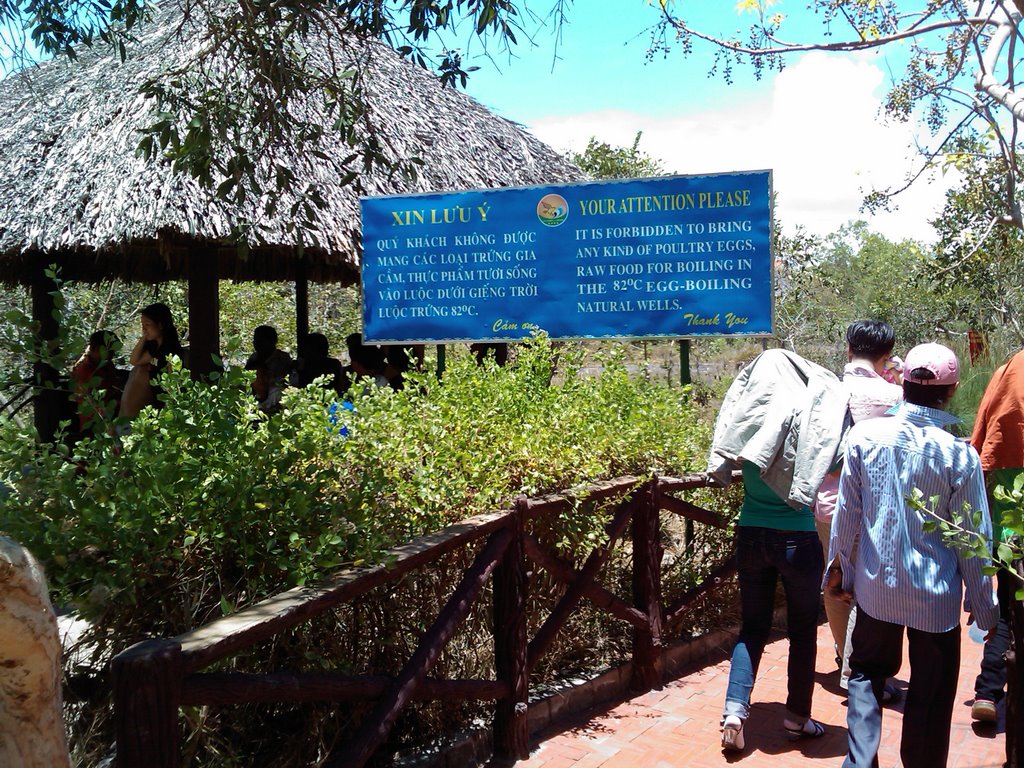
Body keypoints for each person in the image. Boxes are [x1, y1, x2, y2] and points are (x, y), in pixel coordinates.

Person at [827, 342, 999, 768]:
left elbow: (847, 516)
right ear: (952, 390)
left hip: (875, 589)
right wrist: (984, 607)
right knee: (931, 692)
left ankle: (861, 761)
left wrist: (841, 573)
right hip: (934, 601)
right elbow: (972, 538)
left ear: (901, 382)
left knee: (865, 672)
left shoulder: (864, 437)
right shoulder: (959, 455)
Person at [708, 348, 851, 751]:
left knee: (752, 628)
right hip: (797, 539)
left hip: (750, 533)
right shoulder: (807, 424)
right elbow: (837, 462)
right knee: (803, 631)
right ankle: (797, 719)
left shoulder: (751, 422)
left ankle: (735, 711)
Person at [814, 320, 903, 695]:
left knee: (835, 579)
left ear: (849, 348)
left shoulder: (826, 390)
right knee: (870, 588)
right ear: (886, 356)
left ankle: (844, 657)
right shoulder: (894, 396)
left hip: (828, 503)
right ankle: (857, 671)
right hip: (875, 506)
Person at [968, 347, 1024, 722]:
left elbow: (981, 437)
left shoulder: (1010, 370)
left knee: (1008, 605)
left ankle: (988, 690)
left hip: (1009, 521)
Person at [119, 303, 185, 419]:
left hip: (157, 408)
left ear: (160, 325)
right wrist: (144, 336)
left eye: (147, 325)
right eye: (142, 325)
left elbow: (173, 387)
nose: (144, 329)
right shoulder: (154, 350)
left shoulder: (171, 352)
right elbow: (134, 360)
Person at [70, 330, 122, 432]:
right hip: (95, 424)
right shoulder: (84, 371)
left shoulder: (107, 365)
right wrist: (120, 403)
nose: (113, 355)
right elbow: (91, 404)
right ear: (99, 349)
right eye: (111, 351)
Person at [245, 325, 292, 412]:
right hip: (255, 395)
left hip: (275, 397)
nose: (257, 343)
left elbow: (285, 380)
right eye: (256, 340)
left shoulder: (282, 358)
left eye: (262, 340)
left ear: (273, 341)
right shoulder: (254, 357)